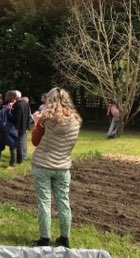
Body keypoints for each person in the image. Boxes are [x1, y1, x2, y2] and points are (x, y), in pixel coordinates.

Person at [31, 87, 82, 248]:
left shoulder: (46, 120)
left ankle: (44, 238)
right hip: (63, 166)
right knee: (63, 202)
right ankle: (65, 238)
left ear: (49, 100)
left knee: (44, 202)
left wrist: (36, 122)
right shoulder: (75, 120)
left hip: (43, 165)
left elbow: (35, 141)